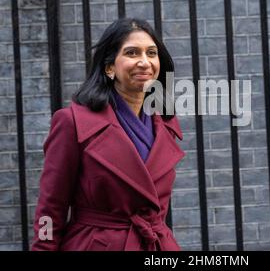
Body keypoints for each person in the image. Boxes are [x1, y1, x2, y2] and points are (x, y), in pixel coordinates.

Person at [31, 18, 185, 251]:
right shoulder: (73, 123)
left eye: (151, 53)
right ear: (110, 67)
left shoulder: (165, 123)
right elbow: (50, 208)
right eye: (132, 53)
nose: (145, 62)